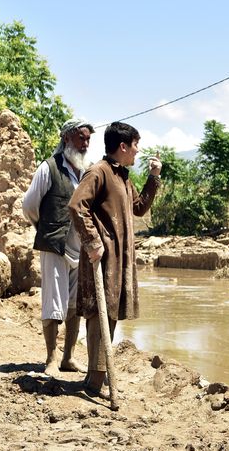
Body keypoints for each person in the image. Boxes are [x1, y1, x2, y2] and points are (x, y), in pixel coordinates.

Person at [68, 121, 161, 396]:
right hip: (103, 258)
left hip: (119, 259)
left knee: (107, 314)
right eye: (135, 145)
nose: (137, 150)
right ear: (123, 146)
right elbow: (77, 206)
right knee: (101, 314)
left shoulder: (121, 176)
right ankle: (95, 381)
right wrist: (93, 242)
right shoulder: (98, 172)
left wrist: (153, 177)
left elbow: (139, 208)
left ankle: (94, 377)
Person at [22, 118, 95, 377]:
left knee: (74, 304)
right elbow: (29, 206)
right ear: (66, 138)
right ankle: (51, 358)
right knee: (53, 303)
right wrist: (45, 228)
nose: (85, 144)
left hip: (80, 249)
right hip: (55, 246)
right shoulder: (49, 168)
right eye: (81, 138)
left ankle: (68, 358)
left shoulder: (87, 171)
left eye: (88, 139)